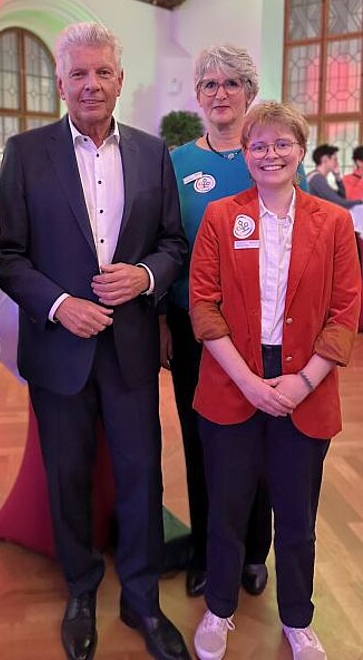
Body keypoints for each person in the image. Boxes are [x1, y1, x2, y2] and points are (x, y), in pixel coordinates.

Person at [0, 22, 190, 660]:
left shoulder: (152, 153)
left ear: (120, 80)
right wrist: (59, 305)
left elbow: (172, 243)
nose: (91, 84)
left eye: (102, 71)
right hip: (60, 349)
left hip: (131, 348)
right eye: (78, 73)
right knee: (68, 477)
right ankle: (80, 589)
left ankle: (142, 599)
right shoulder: (26, 152)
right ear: (60, 82)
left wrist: (146, 276)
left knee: (142, 476)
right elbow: (9, 255)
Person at [189, 102, 360, 660]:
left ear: (300, 150)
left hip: (305, 382)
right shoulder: (220, 217)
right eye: (258, 145)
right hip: (232, 379)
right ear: (245, 154)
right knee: (226, 510)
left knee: (296, 517)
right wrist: (248, 382)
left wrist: (302, 382)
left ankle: (298, 620)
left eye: (282, 143)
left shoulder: (333, 222)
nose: (270, 154)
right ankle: (219, 609)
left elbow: (345, 313)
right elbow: (203, 307)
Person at [160, 45, 282, 598]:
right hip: (195, 327)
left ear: (250, 92)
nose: (220, 93)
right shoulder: (176, 163)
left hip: (265, 328)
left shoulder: (270, 155)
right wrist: (163, 320)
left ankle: (255, 550)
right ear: (197, 95)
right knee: (201, 441)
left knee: (260, 441)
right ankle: (209, 552)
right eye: (209, 84)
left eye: (232, 83)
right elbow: (163, 243)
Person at [308, 144, 363, 208]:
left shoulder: (317, 177)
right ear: (325, 160)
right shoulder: (316, 179)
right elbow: (339, 203)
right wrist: (361, 201)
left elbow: (342, 197)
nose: (337, 163)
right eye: (335, 159)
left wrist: (338, 178)